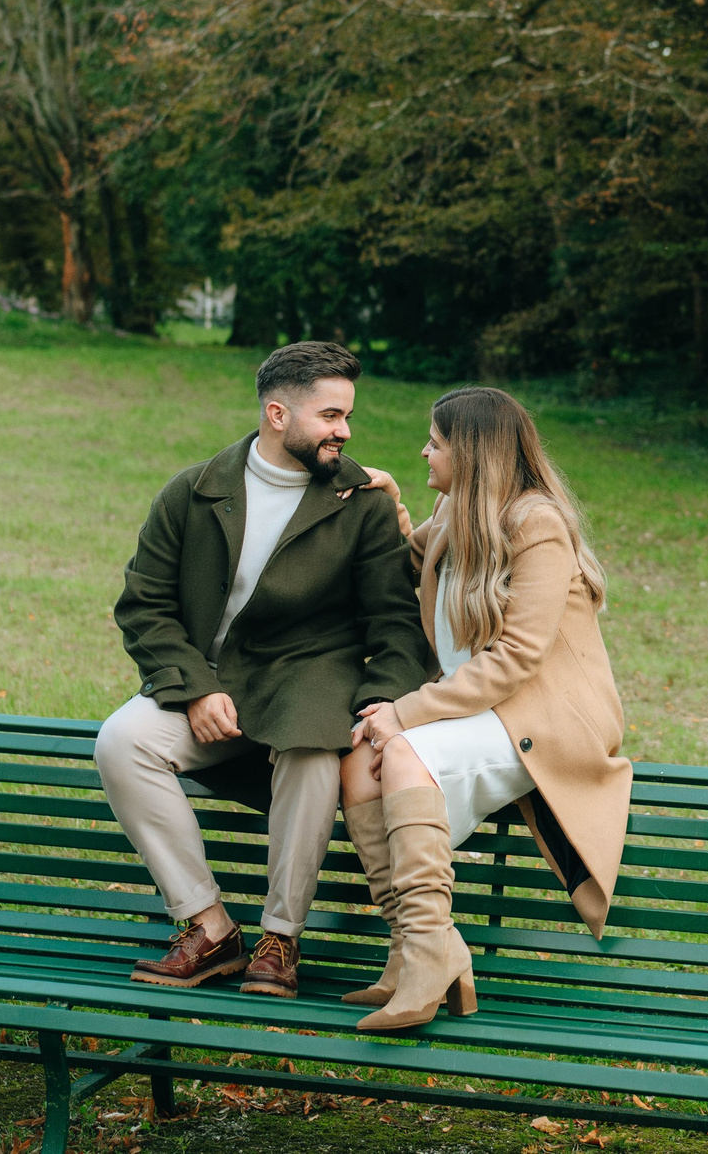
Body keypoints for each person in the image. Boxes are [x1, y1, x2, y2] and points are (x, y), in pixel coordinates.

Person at [96, 340, 431, 999]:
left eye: (347, 416)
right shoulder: (193, 492)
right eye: (330, 415)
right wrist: (196, 688)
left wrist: (383, 701)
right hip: (213, 687)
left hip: (311, 681)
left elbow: (395, 624)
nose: (345, 431)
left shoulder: (359, 502)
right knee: (122, 741)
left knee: (313, 751)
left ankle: (281, 938)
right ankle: (209, 926)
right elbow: (144, 606)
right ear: (278, 414)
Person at [337, 386, 632, 1031]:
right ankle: (415, 950)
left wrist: (405, 712)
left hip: (540, 718)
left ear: (471, 454)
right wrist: (389, 504)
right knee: (359, 760)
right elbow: (410, 565)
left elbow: (516, 658)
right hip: (479, 710)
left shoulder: (537, 525)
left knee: (400, 749)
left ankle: (429, 960)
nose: (425, 452)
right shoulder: (456, 511)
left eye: (435, 443)